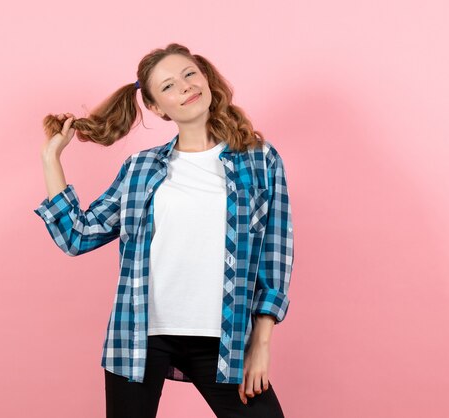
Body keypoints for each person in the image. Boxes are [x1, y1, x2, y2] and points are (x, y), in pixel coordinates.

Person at [33, 43, 294, 418]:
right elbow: (78, 235)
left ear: (206, 79)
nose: (185, 87)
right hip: (139, 334)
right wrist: (50, 158)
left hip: (225, 338)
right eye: (168, 86)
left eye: (190, 74)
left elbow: (275, 251)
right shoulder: (140, 168)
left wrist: (262, 343)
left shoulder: (259, 159)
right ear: (156, 107)